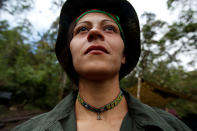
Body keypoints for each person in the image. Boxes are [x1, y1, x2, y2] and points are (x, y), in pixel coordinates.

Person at [12, 0, 192, 130]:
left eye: (109, 28)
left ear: (123, 55)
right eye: (82, 29)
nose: (95, 32)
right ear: (71, 54)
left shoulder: (173, 127)